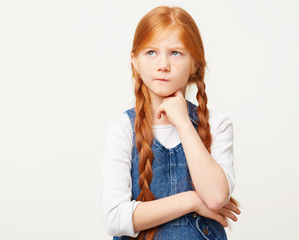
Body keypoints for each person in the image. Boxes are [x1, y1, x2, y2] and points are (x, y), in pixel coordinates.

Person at [101, 6, 241, 240]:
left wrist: (183, 123)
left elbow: (216, 197)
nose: (163, 64)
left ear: (195, 64)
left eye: (176, 53)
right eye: (151, 52)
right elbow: (115, 218)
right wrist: (193, 200)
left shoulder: (217, 124)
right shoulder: (122, 130)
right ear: (134, 60)